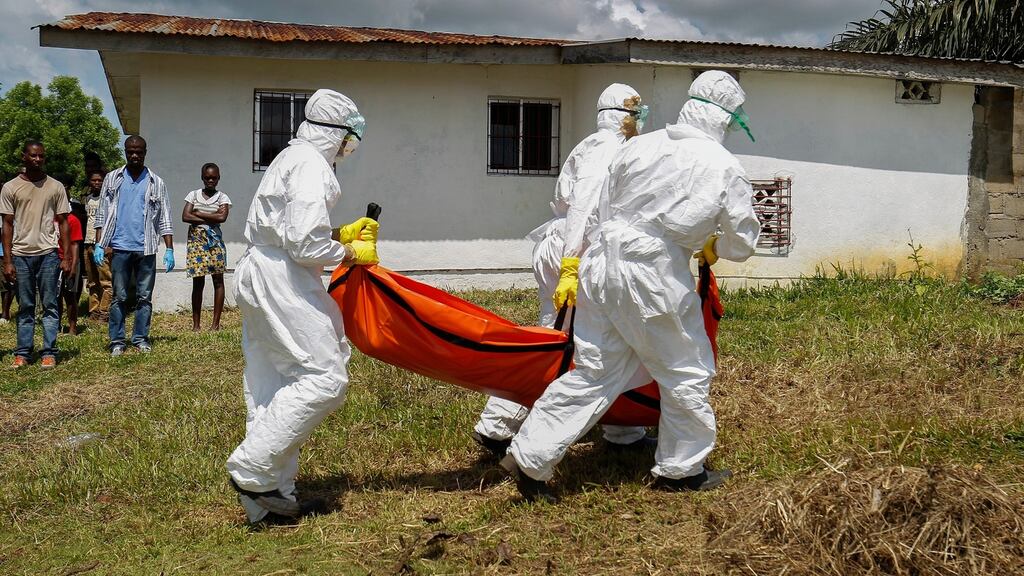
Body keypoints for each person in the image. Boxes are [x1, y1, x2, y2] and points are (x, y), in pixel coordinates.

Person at [502, 71, 761, 502]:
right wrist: (713, 244)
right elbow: (742, 243)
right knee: (685, 370)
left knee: (593, 371)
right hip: (653, 273)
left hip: (602, 264)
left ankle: (531, 457)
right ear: (726, 117)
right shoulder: (723, 165)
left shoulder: (640, 144)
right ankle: (681, 470)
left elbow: (602, 207)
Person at [472, 84, 655, 459]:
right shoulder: (608, 147)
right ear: (623, 115)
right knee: (567, 340)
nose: (640, 120)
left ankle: (623, 429)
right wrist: (572, 262)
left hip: (572, 246)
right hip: (577, 248)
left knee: (585, 336)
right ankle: (499, 425)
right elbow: (583, 205)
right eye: (636, 113)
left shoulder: (593, 144)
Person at [226, 89, 379, 524]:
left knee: (270, 384)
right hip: (282, 275)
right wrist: (349, 253)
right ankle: (253, 470)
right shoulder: (312, 164)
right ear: (336, 132)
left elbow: (292, 228)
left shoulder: (293, 157)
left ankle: (269, 500)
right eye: (352, 135)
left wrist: (341, 232)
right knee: (324, 377)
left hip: (261, 267)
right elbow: (305, 242)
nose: (352, 144)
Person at [93, 136, 174, 356]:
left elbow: (165, 217)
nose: (134, 155)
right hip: (119, 248)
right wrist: (100, 244)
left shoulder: (156, 182)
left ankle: (140, 338)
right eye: (130, 151)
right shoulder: (113, 178)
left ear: (145, 152)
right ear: (125, 152)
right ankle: (117, 340)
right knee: (119, 296)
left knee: (144, 297)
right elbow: (102, 213)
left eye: (138, 151)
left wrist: (169, 249)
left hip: (146, 248)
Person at [0, 140, 73, 368]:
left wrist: (67, 256)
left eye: (41, 156)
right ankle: (23, 352)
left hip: (48, 254)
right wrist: (8, 260)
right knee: (25, 305)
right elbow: (7, 225)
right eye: (33, 156)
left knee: (50, 304)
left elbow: (63, 223)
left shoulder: (55, 186)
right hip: (21, 255)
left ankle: (49, 351)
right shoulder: (10, 187)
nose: (38, 160)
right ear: (24, 157)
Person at [182, 163, 231, 331]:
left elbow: (222, 218)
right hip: (196, 241)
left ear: (219, 178)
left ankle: (215, 325)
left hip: (215, 241)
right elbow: (185, 216)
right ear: (202, 177)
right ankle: (196, 325)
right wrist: (212, 217)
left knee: (218, 280)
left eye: (214, 178)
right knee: (198, 281)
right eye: (207, 177)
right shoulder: (193, 195)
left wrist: (198, 213)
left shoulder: (223, 197)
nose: (210, 180)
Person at [82, 169, 112, 321]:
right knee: (92, 281)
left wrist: (109, 244)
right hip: (88, 243)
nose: (97, 183)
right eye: (94, 180)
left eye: (100, 180)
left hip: (102, 244)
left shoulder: (109, 200)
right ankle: (93, 310)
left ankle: (105, 311)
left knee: (105, 280)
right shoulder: (87, 199)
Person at [55, 189, 85, 335]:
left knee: (70, 296)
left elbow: (75, 245)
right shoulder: (49, 220)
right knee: (56, 297)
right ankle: (57, 324)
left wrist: (73, 266)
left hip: (71, 262)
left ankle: (72, 327)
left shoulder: (73, 220)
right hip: (53, 262)